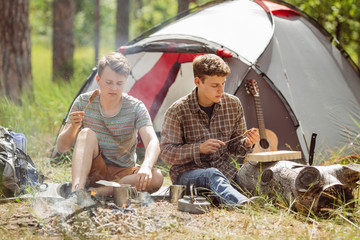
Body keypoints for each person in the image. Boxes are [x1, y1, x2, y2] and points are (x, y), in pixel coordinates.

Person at [57, 52, 163, 205]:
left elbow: (152, 140)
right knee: (86, 133)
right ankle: (77, 192)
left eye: (119, 83)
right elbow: (62, 147)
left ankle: (97, 192)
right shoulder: (83, 102)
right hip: (94, 171)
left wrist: (146, 166)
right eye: (109, 82)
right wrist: (73, 127)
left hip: (124, 172)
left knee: (157, 177)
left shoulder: (135, 107)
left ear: (125, 82)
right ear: (98, 80)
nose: (114, 88)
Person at [160, 54, 259, 207]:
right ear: (197, 82)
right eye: (214, 85)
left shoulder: (233, 104)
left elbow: (236, 147)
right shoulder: (177, 111)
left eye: (223, 83)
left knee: (256, 175)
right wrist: (199, 148)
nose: (220, 90)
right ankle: (242, 205)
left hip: (225, 172)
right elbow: (166, 154)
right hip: (187, 175)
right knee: (210, 174)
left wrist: (247, 143)